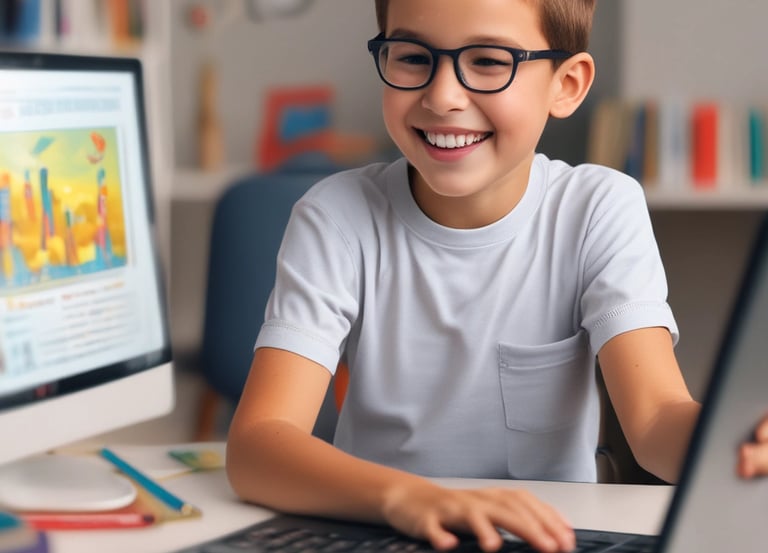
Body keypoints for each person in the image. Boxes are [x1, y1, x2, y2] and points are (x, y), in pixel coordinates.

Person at [226, 1, 768, 552]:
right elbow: (258, 445)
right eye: (413, 56)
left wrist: (737, 444)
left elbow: (654, 422)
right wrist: (411, 498)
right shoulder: (336, 216)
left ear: (567, 84)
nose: (441, 96)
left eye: (488, 61)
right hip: (385, 527)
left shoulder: (598, 208)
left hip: (545, 537)